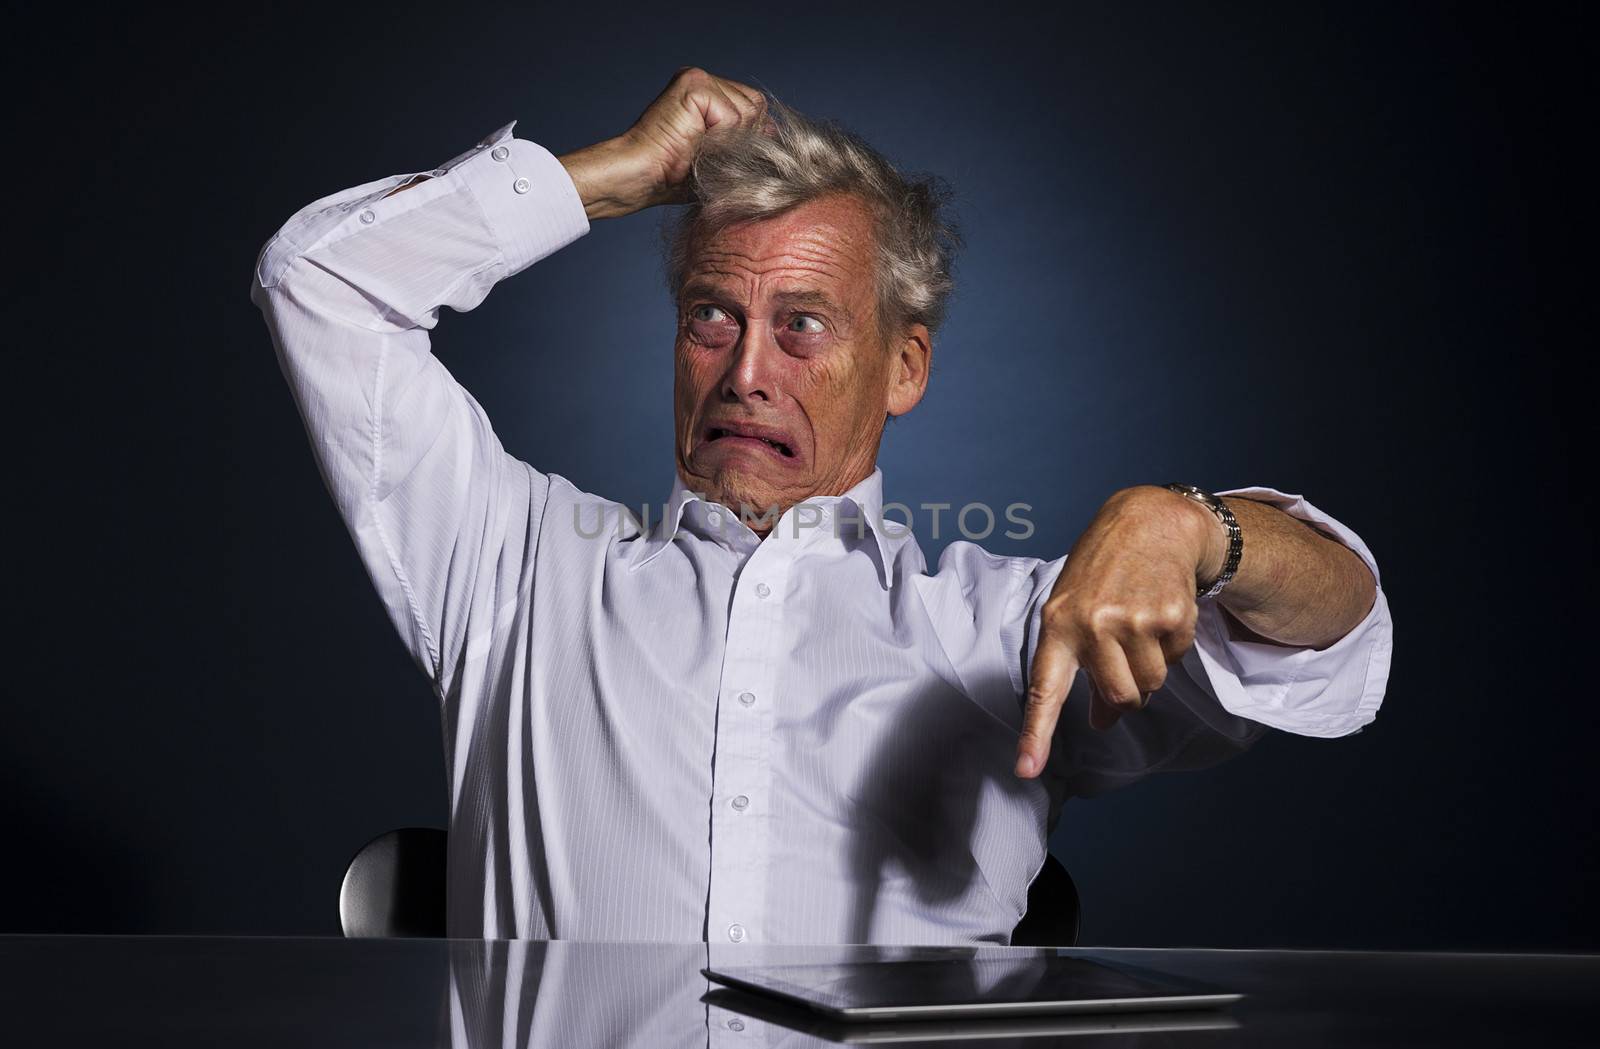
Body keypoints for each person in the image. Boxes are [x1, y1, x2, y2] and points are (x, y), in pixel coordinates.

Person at [249, 68, 1392, 943]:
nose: (747, 371)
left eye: (802, 324)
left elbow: (1333, 641)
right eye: (712, 316)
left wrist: (1192, 525)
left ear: (904, 368)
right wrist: (614, 175)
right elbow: (322, 285)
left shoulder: (1010, 628)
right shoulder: (510, 565)